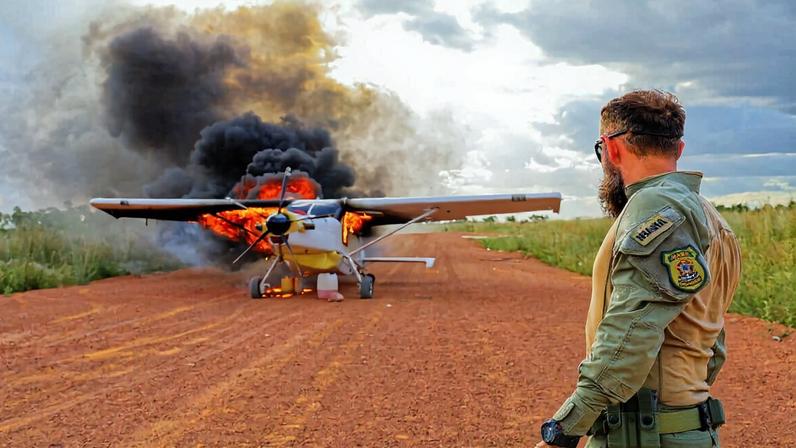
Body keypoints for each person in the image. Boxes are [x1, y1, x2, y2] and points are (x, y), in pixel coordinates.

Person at [535, 90, 741, 448]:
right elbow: (713, 341)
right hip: (688, 429)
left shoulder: (654, 205)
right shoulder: (712, 218)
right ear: (678, 150)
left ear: (610, 149)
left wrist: (564, 431)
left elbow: (632, 329)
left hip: (643, 434)